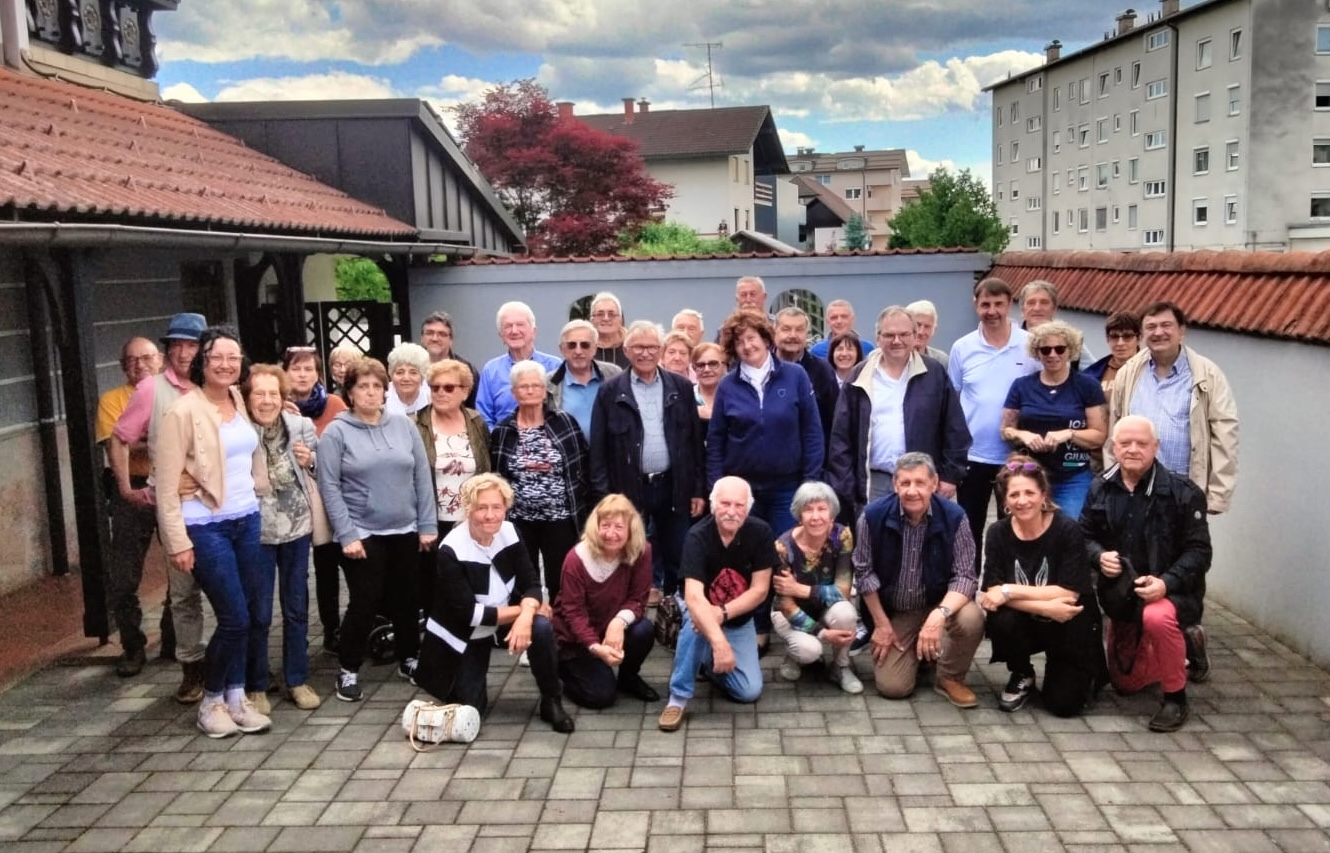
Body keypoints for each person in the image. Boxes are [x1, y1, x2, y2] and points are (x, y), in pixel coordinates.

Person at [155, 326, 272, 738]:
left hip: (246, 517)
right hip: (204, 525)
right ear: (202, 363)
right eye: (217, 357)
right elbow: (166, 484)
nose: (226, 364)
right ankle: (210, 702)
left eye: (233, 357)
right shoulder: (183, 411)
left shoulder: (238, 399)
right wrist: (177, 541)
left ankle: (236, 698)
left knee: (252, 613)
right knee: (235, 617)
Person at [415, 473, 575, 733]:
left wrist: (526, 618)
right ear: (468, 509)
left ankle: (551, 699)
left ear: (505, 508)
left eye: (497, 507)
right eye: (482, 508)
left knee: (542, 627)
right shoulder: (450, 549)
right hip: (465, 632)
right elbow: (471, 615)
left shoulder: (510, 532)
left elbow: (532, 584)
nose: (490, 515)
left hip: (503, 620)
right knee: (470, 710)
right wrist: (525, 609)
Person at [1081, 416, 1212, 731]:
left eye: (1142, 443)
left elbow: (1200, 553)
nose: (1133, 449)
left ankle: (1175, 697)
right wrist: (1099, 556)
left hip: (1172, 592)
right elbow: (1083, 536)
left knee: (1156, 618)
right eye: (1125, 443)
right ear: (1114, 447)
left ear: (1156, 447)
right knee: (1126, 684)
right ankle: (1181, 644)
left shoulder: (1184, 493)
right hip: (1123, 595)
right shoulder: (1100, 487)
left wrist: (1166, 584)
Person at [318, 357, 436, 702]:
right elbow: (329, 487)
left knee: (407, 599)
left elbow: (421, 478)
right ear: (350, 393)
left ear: (385, 392)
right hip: (362, 531)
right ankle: (348, 669)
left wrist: (427, 525)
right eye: (362, 387)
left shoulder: (404, 426)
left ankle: (409, 658)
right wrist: (347, 534)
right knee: (365, 601)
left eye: (376, 387)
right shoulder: (336, 433)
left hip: (406, 527)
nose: (370, 393)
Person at [110, 312, 209, 704]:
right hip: (175, 508)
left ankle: (242, 664)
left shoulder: (218, 385)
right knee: (183, 593)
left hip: (221, 507)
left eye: (193, 344)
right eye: (178, 345)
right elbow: (120, 437)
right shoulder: (152, 389)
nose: (185, 352)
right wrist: (126, 487)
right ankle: (191, 669)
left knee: (231, 591)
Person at [852, 452, 983, 707]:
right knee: (893, 687)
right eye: (905, 483)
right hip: (898, 611)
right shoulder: (872, 516)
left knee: (971, 617)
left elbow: (966, 576)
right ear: (895, 485)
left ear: (934, 484)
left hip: (940, 604)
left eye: (920, 483)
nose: (912, 491)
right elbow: (864, 572)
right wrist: (880, 624)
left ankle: (950, 677)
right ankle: (923, 656)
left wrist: (938, 617)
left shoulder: (955, 517)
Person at [978, 456, 1106, 716]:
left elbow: (1068, 591)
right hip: (1045, 615)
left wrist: (1008, 591)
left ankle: (1078, 670)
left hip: (1070, 619)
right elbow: (991, 592)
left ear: (1043, 494)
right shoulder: (997, 533)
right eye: (1014, 494)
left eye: (1029, 492)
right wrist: (1044, 608)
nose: (1022, 500)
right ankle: (1022, 671)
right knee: (1001, 618)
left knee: (1064, 706)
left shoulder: (1067, 529)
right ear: (1004, 501)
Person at [589, 321, 705, 605]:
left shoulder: (681, 387)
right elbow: (599, 449)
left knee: (679, 553)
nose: (646, 353)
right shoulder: (610, 391)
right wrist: (606, 497)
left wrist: (698, 489)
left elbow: (693, 443)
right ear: (626, 350)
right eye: (639, 347)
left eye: (652, 347)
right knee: (629, 554)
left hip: (673, 485)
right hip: (628, 488)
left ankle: (681, 616)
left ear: (661, 350)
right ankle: (628, 615)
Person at [828, 306, 970, 517]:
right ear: (878, 338)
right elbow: (841, 437)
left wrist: (950, 476)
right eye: (889, 335)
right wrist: (847, 486)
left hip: (921, 480)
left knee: (920, 544)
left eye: (904, 334)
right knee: (874, 546)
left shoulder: (934, 374)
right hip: (873, 482)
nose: (897, 341)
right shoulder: (859, 376)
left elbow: (954, 428)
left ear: (914, 337)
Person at [658, 476, 774, 732]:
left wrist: (722, 613)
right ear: (713, 505)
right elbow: (694, 596)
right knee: (698, 620)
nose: (732, 512)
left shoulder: (761, 533)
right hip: (699, 613)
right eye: (725, 504)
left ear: (749, 507)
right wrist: (719, 640)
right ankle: (678, 696)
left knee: (749, 691)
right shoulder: (697, 535)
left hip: (738, 619)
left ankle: (706, 663)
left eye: (739, 505)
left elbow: (760, 590)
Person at [1106, 301, 1238, 517]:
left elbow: (1225, 435)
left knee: (1184, 550)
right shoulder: (1128, 373)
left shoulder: (1208, 375)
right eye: (1151, 327)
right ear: (1143, 333)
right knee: (1131, 549)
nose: (1158, 332)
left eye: (1166, 325)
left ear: (1181, 330)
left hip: (1184, 489)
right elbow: (1116, 428)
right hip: (1135, 484)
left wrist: (1218, 494)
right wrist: (1112, 480)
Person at [243, 364, 322, 711]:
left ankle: (296, 679)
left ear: (283, 396)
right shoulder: (238, 430)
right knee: (258, 610)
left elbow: (321, 468)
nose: (266, 400)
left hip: (296, 527)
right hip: (256, 531)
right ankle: (257, 683)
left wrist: (312, 459)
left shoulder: (301, 425)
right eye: (258, 393)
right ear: (247, 398)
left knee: (296, 607)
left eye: (272, 393)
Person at [949, 278, 1039, 570]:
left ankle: (1011, 587)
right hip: (973, 455)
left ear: (1009, 305)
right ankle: (967, 589)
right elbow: (953, 401)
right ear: (976, 305)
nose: (992, 310)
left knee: (1015, 526)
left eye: (998, 304)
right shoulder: (962, 348)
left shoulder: (1029, 345)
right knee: (969, 528)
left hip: (1015, 456)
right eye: (985, 304)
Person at [708, 309, 824, 537]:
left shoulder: (796, 375)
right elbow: (715, 441)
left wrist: (809, 482)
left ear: (765, 338)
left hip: (787, 488)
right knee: (747, 558)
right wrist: (717, 487)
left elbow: (812, 432)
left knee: (784, 554)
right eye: (739, 342)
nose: (747, 346)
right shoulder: (727, 385)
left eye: (751, 338)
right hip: (742, 490)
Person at [490, 360, 591, 608]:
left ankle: (562, 628)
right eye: (523, 386)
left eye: (536, 385)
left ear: (545, 390)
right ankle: (526, 626)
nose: (530, 391)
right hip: (519, 519)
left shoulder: (564, 422)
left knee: (562, 577)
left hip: (561, 518)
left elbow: (584, 466)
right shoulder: (503, 430)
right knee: (524, 577)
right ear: (514, 392)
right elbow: (497, 475)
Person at [553, 494, 660, 708]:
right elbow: (573, 613)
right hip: (575, 638)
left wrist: (618, 623)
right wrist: (594, 646)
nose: (611, 534)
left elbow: (638, 599)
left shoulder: (641, 551)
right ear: (596, 526)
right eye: (605, 525)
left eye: (619, 527)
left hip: (610, 627)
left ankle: (628, 677)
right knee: (600, 697)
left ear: (631, 530)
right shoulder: (576, 559)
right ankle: (561, 674)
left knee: (644, 630)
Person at [97, 335, 162, 677]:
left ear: (160, 359)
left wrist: (135, 440)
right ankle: (133, 646)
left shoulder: (174, 393)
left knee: (185, 571)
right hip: (132, 490)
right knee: (123, 576)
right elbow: (116, 445)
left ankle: (173, 638)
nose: (140, 365)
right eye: (132, 360)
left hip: (170, 486)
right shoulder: (112, 400)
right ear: (123, 366)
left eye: (146, 357)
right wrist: (154, 439)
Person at [1000, 320, 1107, 520]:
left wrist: (1069, 433)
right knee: (1029, 531)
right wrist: (1023, 434)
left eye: (1059, 349)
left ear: (1071, 350)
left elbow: (1099, 435)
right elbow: (1006, 429)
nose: (1053, 355)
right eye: (1045, 350)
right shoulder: (1022, 386)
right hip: (1030, 474)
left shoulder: (1088, 385)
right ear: (1037, 353)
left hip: (1072, 476)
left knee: (1070, 530)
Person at [283, 346, 348, 653]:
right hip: (288, 500)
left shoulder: (334, 404)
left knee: (329, 563)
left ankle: (333, 629)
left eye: (309, 369)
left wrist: (314, 457)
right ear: (285, 373)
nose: (303, 374)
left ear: (318, 374)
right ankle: (295, 635)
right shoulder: (274, 406)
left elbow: (347, 447)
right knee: (295, 570)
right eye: (296, 369)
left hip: (327, 495)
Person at [415, 358, 491, 616]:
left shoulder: (476, 421)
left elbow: (486, 467)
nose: (440, 393)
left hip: (471, 519)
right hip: (433, 521)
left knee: (472, 579)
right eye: (434, 387)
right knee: (435, 584)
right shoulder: (416, 423)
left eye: (448, 388)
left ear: (465, 391)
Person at [771, 482, 862, 694]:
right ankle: (794, 655)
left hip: (826, 606)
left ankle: (840, 666)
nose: (815, 516)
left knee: (846, 612)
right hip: (789, 614)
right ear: (799, 515)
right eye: (808, 509)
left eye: (822, 509)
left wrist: (800, 589)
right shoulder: (783, 547)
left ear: (831, 513)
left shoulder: (842, 536)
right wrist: (822, 633)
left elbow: (843, 592)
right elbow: (786, 604)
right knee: (810, 650)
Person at [476, 301, 562, 428]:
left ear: (534, 331)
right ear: (501, 334)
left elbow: (562, 408)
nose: (514, 331)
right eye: (508, 326)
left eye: (520, 325)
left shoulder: (554, 365)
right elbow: (484, 417)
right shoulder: (491, 370)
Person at [773, 306, 840, 454]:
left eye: (799, 330)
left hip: (810, 463)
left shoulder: (822, 371)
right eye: (786, 329)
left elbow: (834, 424)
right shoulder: (760, 368)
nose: (793, 335)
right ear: (774, 332)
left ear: (807, 334)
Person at [547, 319, 622, 441]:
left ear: (595, 348)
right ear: (562, 349)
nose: (578, 351)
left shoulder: (614, 374)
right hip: (569, 457)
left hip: (608, 456)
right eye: (571, 345)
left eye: (585, 345)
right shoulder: (549, 383)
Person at [1017, 280, 1094, 370]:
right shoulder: (1013, 341)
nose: (1037, 308)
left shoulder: (1070, 340)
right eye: (1031, 303)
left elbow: (1095, 372)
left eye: (1044, 302)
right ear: (1022, 310)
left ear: (1054, 309)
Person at [419, 310, 479, 409]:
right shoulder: (412, 368)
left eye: (441, 334)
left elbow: (473, 408)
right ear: (422, 338)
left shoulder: (467, 370)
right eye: (429, 333)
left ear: (451, 340)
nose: (435, 338)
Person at [1083, 310, 1142, 396]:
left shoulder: (1152, 370)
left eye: (1127, 336)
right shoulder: (1091, 374)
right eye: (1114, 337)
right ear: (1107, 339)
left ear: (1139, 338)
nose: (1120, 343)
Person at [384, 342, 431, 417]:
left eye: (413, 372)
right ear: (391, 375)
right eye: (400, 372)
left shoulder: (432, 400)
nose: (406, 378)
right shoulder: (381, 401)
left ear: (422, 376)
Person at [588, 292, 630, 369]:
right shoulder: (584, 346)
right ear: (592, 320)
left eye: (611, 314)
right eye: (600, 314)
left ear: (620, 320)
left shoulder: (631, 345)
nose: (606, 318)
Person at [691, 342, 727, 425]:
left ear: (725, 367)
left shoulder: (735, 397)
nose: (706, 370)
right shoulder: (685, 398)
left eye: (713, 364)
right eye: (700, 365)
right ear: (694, 368)